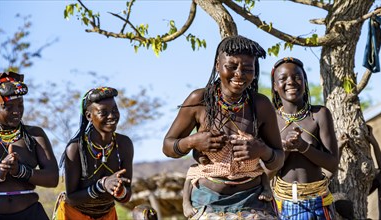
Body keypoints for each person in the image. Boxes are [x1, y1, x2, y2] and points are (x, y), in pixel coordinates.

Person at [162, 35, 284, 219]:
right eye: (231, 67)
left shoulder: (260, 105)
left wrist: (262, 150)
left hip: (254, 201)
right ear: (217, 66)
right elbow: (168, 147)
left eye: (248, 69)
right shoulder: (199, 100)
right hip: (207, 201)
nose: (239, 74)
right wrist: (193, 141)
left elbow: (278, 158)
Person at [269, 57, 338, 219]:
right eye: (283, 79)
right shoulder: (271, 119)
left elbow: (332, 164)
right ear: (274, 86)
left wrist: (303, 147)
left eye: (297, 77)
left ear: (305, 82)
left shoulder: (319, 115)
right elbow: (266, 174)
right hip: (285, 204)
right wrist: (286, 150)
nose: (291, 82)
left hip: (319, 203)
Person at [55, 87, 134, 220]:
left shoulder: (124, 145)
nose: (112, 116)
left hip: (107, 215)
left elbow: (126, 195)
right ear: (89, 116)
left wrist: (120, 192)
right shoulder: (75, 149)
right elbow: (72, 197)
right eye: (104, 112)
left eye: (115, 110)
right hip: (73, 215)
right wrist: (101, 185)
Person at [0, 72, 59, 219]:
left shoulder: (34, 135)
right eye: (8, 106)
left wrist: (21, 171)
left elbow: (53, 178)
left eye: (20, 105)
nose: (16, 111)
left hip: (31, 214)